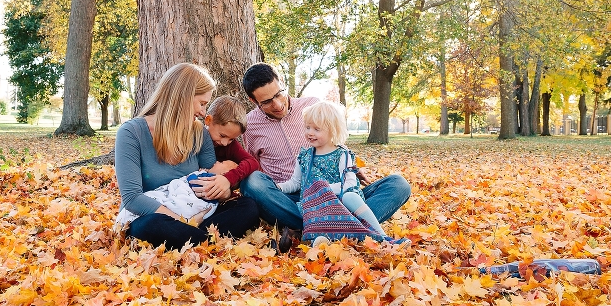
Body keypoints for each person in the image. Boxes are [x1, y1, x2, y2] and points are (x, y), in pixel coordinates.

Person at [240, 63, 412, 235]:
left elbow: (335, 138)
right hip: (290, 200)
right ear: (253, 101)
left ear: (281, 82)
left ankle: (315, 229)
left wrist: (349, 168)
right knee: (251, 182)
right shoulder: (250, 125)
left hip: (337, 194)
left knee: (398, 184)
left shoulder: (313, 106)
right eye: (267, 101)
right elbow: (255, 167)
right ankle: (344, 227)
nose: (277, 104)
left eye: (279, 94)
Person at [114, 63, 260, 250]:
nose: (203, 112)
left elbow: (208, 177)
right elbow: (132, 198)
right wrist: (183, 222)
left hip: (194, 210)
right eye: (202, 103)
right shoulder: (131, 133)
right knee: (153, 226)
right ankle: (205, 242)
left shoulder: (200, 133)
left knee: (248, 207)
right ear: (182, 97)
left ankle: (194, 242)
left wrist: (224, 190)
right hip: (151, 215)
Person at [277, 101, 389, 241]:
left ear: (333, 130)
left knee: (354, 196)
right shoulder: (304, 156)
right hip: (316, 207)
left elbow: (349, 184)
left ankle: (382, 238)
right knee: (298, 205)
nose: (310, 133)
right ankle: (324, 240)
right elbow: (296, 182)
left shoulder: (342, 154)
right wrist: (279, 187)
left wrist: (322, 189)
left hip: (343, 204)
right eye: (307, 127)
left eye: (317, 129)